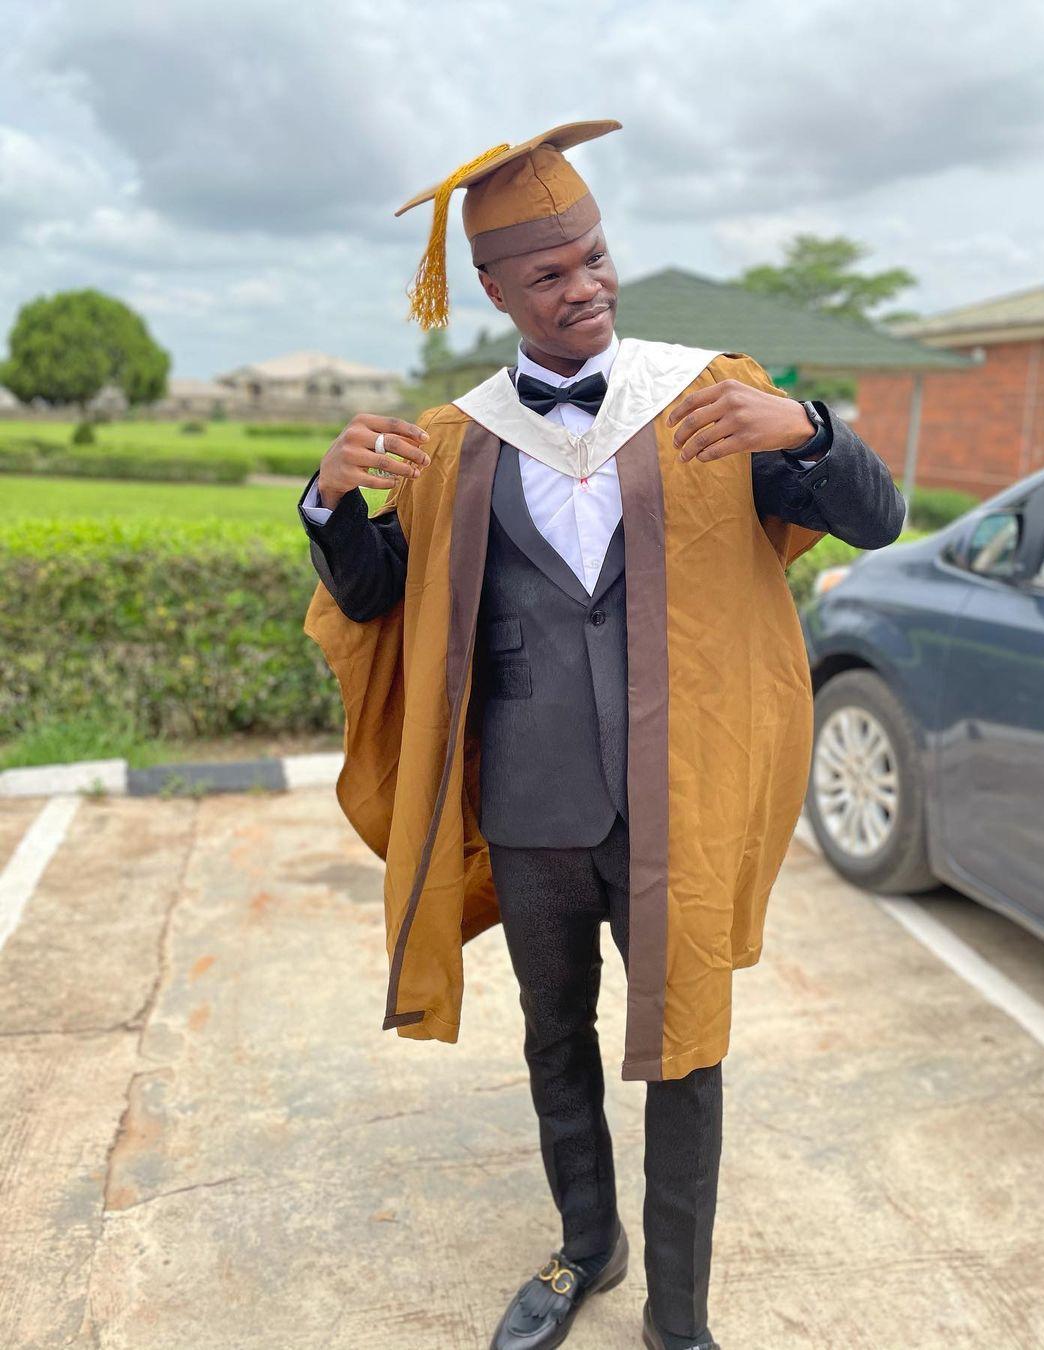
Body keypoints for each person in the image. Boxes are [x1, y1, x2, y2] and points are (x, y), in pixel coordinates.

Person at [298, 120, 905, 1350]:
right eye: (549, 274)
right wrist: (330, 500)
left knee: (686, 1049)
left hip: (679, 794)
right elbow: (375, 598)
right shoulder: (459, 441)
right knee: (554, 1032)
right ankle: (589, 1245)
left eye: (594, 257)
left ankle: (680, 1318)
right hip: (533, 804)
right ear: (493, 291)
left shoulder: (709, 398)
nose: (585, 287)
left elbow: (877, 520)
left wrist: (812, 431)